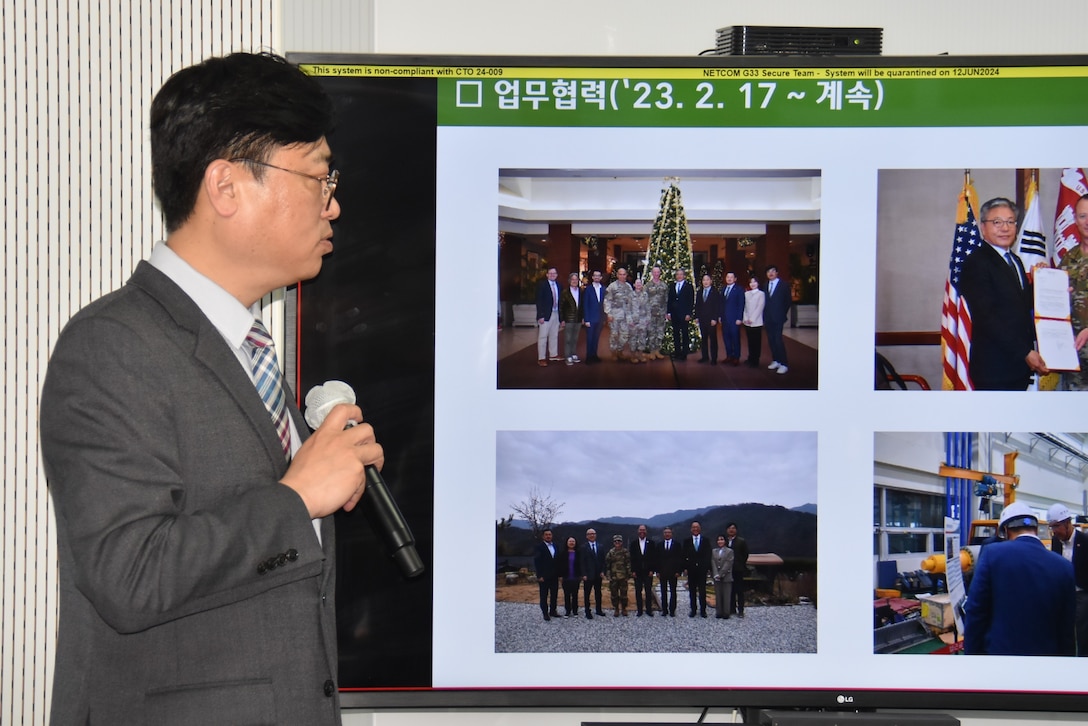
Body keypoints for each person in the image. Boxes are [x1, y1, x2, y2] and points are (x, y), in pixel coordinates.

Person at [38, 52, 382, 724]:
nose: (333, 203)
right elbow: (128, 575)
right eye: (318, 177)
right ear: (226, 187)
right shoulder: (111, 346)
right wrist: (298, 497)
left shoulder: (247, 347)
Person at [958, 197, 1048, 390]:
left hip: (1017, 368)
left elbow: (1020, 306)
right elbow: (987, 318)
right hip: (995, 369)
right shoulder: (977, 263)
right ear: (983, 227)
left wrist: (1043, 282)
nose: (1005, 228)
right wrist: (1025, 352)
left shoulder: (1014, 260)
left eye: (1010, 222)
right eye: (997, 222)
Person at [964, 502, 1075, 656]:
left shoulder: (992, 554)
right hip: (1047, 663)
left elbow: (975, 611)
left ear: (1006, 530)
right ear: (1036, 529)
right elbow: (1067, 629)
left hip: (1001, 659)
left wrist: (972, 657)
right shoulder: (1064, 567)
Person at [1047, 503, 1088, 655]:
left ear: (1067, 523)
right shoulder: (1056, 541)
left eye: (1056, 526)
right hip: (1062, 593)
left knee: (1081, 632)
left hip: (1082, 593)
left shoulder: (1084, 541)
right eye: (1051, 527)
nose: (1054, 531)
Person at [1061, 194, 1088, 390]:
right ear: (1075, 220)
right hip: (1073, 357)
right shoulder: (1069, 258)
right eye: (1082, 216)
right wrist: (1044, 276)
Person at [764, 265, 791, 375]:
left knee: (778, 340)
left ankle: (784, 363)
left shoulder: (783, 285)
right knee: (771, 340)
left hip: (778, 317)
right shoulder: (765, 285)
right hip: (768, 317)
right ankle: (776, 360)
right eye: (768, 271)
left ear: (777, 273)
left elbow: (787, 302)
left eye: (773, 271)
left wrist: (781, 314)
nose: (770, 273)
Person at [603, 267, 634, 360]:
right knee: (614, 335)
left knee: (625, 335)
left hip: (626, 315)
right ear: (617, 275)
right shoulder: (612, 286)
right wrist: (608, 314)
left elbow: (631, 301)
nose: (622, 276)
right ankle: (614, 352)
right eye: (620, 274)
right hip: (615, 315)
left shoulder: (628, 286)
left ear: (626, 275)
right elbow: (607, 300)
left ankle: (620, 350)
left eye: (624, 274)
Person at [683, 521, 712, 617]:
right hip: (691, 570)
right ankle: (693, 610)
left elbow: (708, 555)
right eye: (693, 527)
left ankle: (703, 610)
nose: (695, 529)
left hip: (702, 570)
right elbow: (684, 556)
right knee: (692, 591)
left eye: (697, 527)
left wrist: (708, 568)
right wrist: (685, 568)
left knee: (702, 591)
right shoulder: (687, 541)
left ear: (700, 528)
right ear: (691, 529)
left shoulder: (706, 540)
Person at [535, 267, 562, 366]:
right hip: (545, 315)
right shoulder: (542, 285)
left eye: (554, 273)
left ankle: (553, 354)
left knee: (554, 335)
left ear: (556, 275)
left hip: (556, 313)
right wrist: (540, 315)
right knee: (543, 336)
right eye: (550, 273)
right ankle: (541, 358)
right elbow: (539, 301)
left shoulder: (559, 285)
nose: (552, 275)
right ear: (547, 275)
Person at [533, 528, 561, 621]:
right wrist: (539, 575)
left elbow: (557, 561)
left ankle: (553, 611)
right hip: (544, 576)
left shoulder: (556, 546)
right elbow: (537, 562)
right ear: (543, 536)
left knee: (554, 594)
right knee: (544, 595)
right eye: (546, 534)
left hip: (554, 575)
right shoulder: (539, 547)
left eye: (550, 534)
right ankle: (545, 613)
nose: (548, 536)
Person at [579, 528, 608, 619]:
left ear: (595, 535)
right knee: (587, 594)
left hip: (598, 574)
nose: (592, 535)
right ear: (587, 536)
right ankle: (588, 611)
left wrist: (603, 571)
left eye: (593, 533)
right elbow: (582, 562)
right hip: (588, 575)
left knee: (598, 593)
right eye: (590, 534)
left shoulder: (600, 546)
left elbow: (604, 561)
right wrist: (583, 574)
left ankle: (598, 610)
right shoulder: (583, 547)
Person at [666, 268, 694, 360]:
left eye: (681, 274)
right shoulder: (672, 285)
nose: (679, 276)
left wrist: (689, 314)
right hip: (674, 314)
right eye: (677, 274)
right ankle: (677, 352)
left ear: (684, 276)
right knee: (676, 334)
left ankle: (684, 354)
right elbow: (670, 300)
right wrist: (669, 312)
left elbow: (691, 301)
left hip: (684, 314)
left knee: (685, 334)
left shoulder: (688, 286)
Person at [629, 524, 657, 616]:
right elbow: (632, 558)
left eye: (643, 530)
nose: (642, 532)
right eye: (640, 530)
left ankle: (649, 610)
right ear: (638, 532)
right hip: (637, 572)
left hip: (648, 572)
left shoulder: (651, 543)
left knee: (648, 591)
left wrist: (652, 570)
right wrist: (633, 571)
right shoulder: (633, 544)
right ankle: (640, 610)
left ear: (646, 531)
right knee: (638, 591)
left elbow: (654, 558)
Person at [657, 526, 684, 617]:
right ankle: (664, 610)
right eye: (665, 532)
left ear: (671, 534)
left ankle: (672, 610)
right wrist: (657, 571)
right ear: (663, 534)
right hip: (662, 572)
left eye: (669, 532)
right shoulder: (659, 545)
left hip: (673, 572)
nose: (667, 534)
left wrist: (678, 571)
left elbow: (680, 559)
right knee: (663, 592)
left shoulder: (677, 545)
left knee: (673, 591)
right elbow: (657, 559)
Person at [694, 273, 721, 364]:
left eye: (707, 280)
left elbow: (717, 306)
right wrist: (696, 316)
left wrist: (715, 318)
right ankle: (705, 356)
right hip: (702, 319)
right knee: (704, 339)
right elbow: (697, 305)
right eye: (704, 280)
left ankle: (714, 359)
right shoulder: (699, 292)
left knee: (713, 339)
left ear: (711, 281)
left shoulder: (715, 292)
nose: (705, 282)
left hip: (711, 320)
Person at [644, 265, 669, 360]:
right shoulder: (647, 286)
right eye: (654, 272)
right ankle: (652, 352)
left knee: (659, 333)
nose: (656, 274)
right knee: (651, 333)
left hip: (661, 314)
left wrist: (667, 312)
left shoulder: (664, 286)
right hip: (650, 314)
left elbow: (666, 300)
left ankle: (657, 351)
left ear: (660, 273)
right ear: (652, 273)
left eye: (657, 272)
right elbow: (644, 299)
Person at [720, 272, 745, 365]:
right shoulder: (723, 289)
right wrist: (720, 316)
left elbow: (741, 304)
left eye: (731, 277)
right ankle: (729, 355)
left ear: (735, 279)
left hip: (734, 319)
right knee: (726, 338)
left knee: (735, 338)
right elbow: (721, 304)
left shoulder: (739, 289)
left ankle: (736, 357)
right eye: (727, 277)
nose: (729, 279)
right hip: (724, 319)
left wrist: (739, 318)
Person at [559, 272, 583, 365]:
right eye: (572, 279)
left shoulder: (581, 292)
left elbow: (582, 306)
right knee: (568, 339)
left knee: (575, 338)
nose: (574, 281)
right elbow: (561, 307)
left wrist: (583, 317)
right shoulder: (565, 292)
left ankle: (573, 354)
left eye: (576, 279)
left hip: (578, 319)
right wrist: (562, 319)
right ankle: (567, 356)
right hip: (568, 319)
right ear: (569, 281)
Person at [726, 522, 750, 617]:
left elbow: (745, 554)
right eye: (729, 528)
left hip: (738, 569)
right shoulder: (725, 541)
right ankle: (732, 609)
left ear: (736, 530)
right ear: (727, 530)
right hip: (728, 570)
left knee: (739, 590)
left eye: (733, 528)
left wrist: (741, 563)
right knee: (730, 590)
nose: (731, 530)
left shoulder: (741, 541)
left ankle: (740, 610)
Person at [605, 534, 632, 616]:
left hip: (623, 577)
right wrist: (608, 575)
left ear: (621, 542)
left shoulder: (625, 552)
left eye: (619, 541)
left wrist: (628, 575)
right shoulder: (610, 552)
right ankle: (616, 608)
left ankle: (624, 608)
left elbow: (628, 564)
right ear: (613, 542)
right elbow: (607, 565)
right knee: (614, 594)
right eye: (616, 541)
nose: (617, 543)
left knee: (624, 594)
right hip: (613, 577)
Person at [583, 270, 606, 364]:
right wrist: (586, 319)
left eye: (598, 276)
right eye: (595, 276)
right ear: (592, 277)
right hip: (591, 318)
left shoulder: (604, 289)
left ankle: (594, 355)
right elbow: (585, 304)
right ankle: (589, 356)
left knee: (596, 338)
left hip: (600, 318)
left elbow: (605, 304)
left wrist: (604, 318)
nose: (597, 277)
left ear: (601, 278)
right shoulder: (588, 289)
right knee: (590, 338)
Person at [742, 276, 766, 368]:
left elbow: (760, 307)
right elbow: (745, 308)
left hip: (756, 322)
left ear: (758, 283)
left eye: (754, 282)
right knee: (750, 341)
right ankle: (750, 358)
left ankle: (755, 360)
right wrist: (746, 318)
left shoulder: (761, 294)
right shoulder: (746, 294)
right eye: (751, 282)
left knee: (756, 342)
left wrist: (752, 319)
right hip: (747, 322)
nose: (753, 284)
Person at [627, 278, 651, 363]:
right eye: (637, 283)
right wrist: (629, 320)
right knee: (633, 339)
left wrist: (648, 319)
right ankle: (633, 356)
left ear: (642, 285)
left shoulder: (645, 295)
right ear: (634, 285)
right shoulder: (630, 295)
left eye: (640, 283)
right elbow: (628, 309)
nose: (638, 285)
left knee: (642, 338)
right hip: (633, 321)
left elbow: (648, 308)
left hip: (643, 320)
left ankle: (640, 355)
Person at [711, 535, 735, 619]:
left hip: (726, 576)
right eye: (718, 540)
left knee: (726, 595)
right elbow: (713, 562)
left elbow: (728, 563)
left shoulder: (729, 551)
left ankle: (726, 613)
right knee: (718, 595)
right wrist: (715, 574)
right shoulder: (714, 551)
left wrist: (720, 574)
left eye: (721, 539)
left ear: (725, 541)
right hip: (716, 576)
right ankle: (719, 612)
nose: (720, 541)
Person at [560, 536, 583, 617]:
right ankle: (567, 611)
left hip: (576, 577)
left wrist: (581, 575)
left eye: (573, 541)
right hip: (566, 577)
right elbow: (560, 566)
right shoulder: (563, 553)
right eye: (570, 541)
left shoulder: (579, 553)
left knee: (575, 595)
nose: (571, 543)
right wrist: (560, 576)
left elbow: (581, 565)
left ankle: (575, 611)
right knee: (566, 595)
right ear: (567, 543)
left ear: (575, 543)